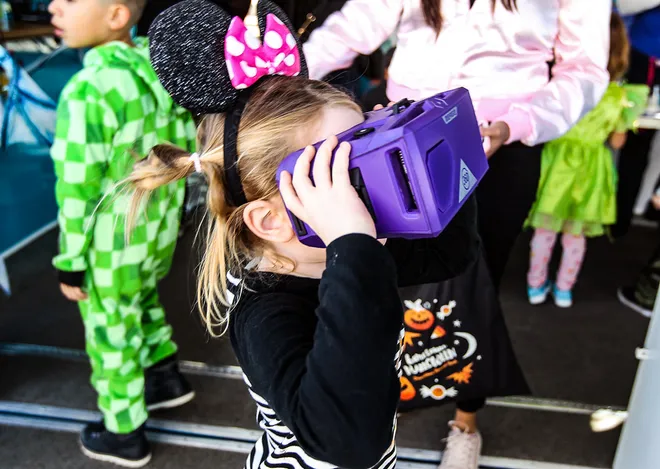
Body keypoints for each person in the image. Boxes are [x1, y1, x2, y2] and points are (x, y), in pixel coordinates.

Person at [129, 0, 480, 467]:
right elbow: (348, 441)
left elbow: (448, 257)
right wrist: (352, 246)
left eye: (368, 144)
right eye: (345, 176)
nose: (372, 185)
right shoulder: (267, 311)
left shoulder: (349, 249)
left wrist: (423, 145)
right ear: (272, 219)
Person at [301, 1, 610, 466]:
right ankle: (383, 401)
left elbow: (585, 68)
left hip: (502, 144)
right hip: (399, 133)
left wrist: (519, 124)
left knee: (477, 283)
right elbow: (357, 23)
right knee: (377, 272)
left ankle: (466, 419)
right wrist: (286, 72)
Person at [48, 0, 197, 465]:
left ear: (116, 15)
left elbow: (77, 186)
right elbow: (185, 145)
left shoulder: (87, 89)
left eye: (70, 0)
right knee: (143, 297)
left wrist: (70, 260)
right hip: (157, 231)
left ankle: (124, 430)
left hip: (112, 241)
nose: (54, 5)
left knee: (111, 328)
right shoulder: (161, 66)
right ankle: (165, 375)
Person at [525, 13, 649, 308]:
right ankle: (565, 289)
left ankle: (535, 285)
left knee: (545, 231)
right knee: (575, 235)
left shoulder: (558, 85)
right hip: (592, 169)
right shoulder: (619, 96)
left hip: (556, 164)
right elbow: (618, 141)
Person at [611, 0, 660, 236]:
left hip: (645, 54)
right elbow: (623, 4)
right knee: (630, 140)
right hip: (642, 57)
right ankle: (616, 220)